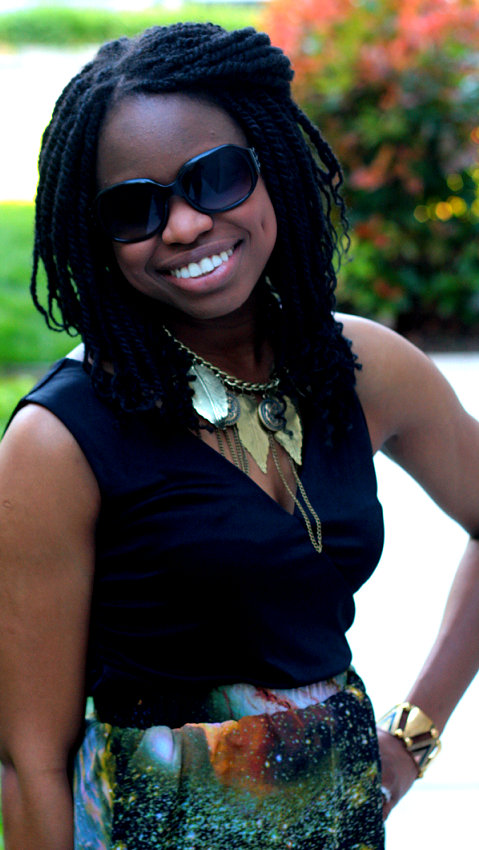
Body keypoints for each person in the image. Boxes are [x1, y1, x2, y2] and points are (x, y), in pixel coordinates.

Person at [0, 22, 478, 850]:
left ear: (271, 167)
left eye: (214, 177)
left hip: (336, 826)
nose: (185, 225)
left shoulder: (363, 369)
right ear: (95, 236)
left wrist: (411, 738)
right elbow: (29, 760)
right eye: (135, 208)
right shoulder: (58, 442)